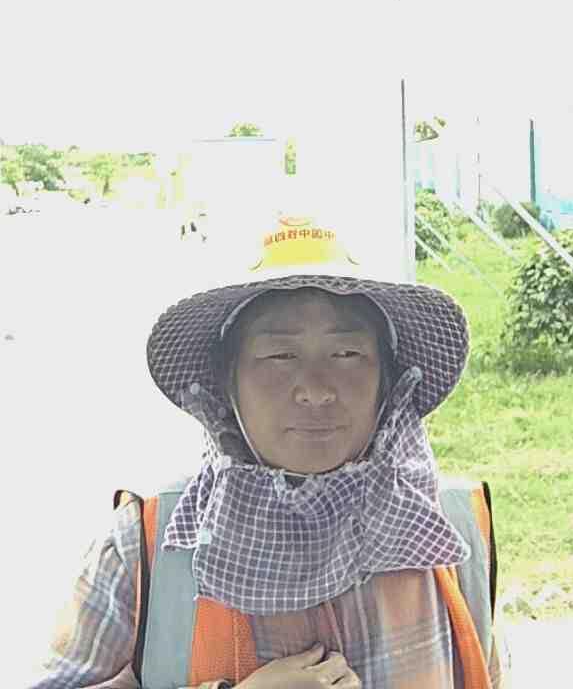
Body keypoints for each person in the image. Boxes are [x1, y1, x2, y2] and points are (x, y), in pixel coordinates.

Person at [29, 214, 508, 689]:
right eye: (280, 356)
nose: (316, 390)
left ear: (388, 379)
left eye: (347, 354)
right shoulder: (147, 543)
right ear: (226, 383)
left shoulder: (454, 530)